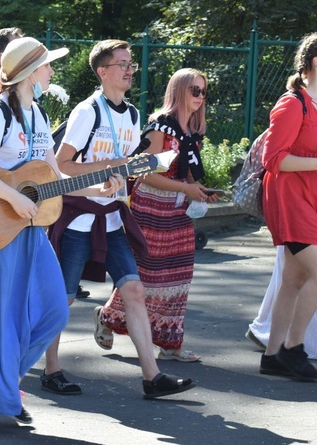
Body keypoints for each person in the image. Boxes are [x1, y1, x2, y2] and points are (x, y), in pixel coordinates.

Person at [0, 37, 124, 432]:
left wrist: (96, 189)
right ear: (30, 72)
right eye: (47, 66)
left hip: (28, 230)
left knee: (52, 310)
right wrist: (13, 195)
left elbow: (53, 178)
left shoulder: (39, 116)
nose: (52, 71)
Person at [44, 40, 195, 399]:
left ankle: (152, 377)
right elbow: (61, 164)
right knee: (62, 300)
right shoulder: (87, 111)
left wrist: (129, 174)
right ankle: (51, 370)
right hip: (78, 216)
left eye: (132, 65)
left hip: (112, 216)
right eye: (122, 64)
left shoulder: (131, 115)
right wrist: (108, 168)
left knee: (134, 290)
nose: (130, 70)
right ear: (102, 72)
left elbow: (124, 165)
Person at [258, 32, 317, 381]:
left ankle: (271, 356)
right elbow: (273, 159)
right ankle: (293, 348)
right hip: (290, 198)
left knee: (294, 278)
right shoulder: (292, 103)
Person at [129, 68, 219, 363]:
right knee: (148, 278)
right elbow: (142, 173)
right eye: (195, 90)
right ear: (178, 90)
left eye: (203, 91)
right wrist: (186, 188)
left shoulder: (193, 132)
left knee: (179, 277)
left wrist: (199, 189)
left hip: (178, 208)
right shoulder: (160, 127)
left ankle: (171, 343)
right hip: (151, 209)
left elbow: (188, 175)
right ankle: (108, 317)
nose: (200, 97)